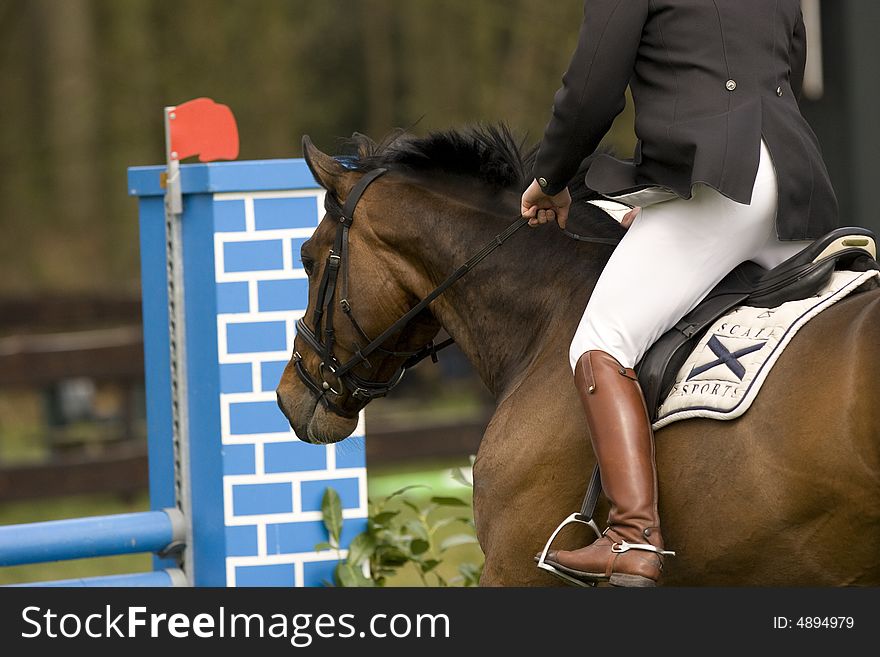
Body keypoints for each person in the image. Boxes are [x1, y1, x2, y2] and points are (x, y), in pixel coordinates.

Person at [521, 0, 839, 587]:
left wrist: (551, 178)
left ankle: (632, 536)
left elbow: (591, 90)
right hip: (796, 179)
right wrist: (659, 199)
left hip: (724, 183)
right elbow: (777, 67)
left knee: (601, 342)